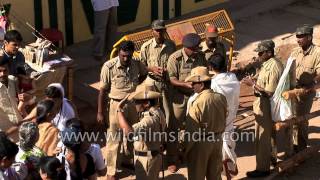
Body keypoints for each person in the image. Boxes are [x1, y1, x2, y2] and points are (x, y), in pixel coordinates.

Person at [97, 40, 148, 179]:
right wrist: (100, 112)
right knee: (114, 138)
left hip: (133, 104)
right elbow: (102, 91)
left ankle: (129, 160)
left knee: (133, 134)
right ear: (119, 53)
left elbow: (144, 73)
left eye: (128, 56)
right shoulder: (109, 67)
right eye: (123, 55)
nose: (125, 59)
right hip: (116, 105)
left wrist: (137, 86)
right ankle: (111, 171)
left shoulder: (136, 63)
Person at [242, 40, 284, 178]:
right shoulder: (267, 64)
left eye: (261, 52)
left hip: (266, 105)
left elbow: (269, 92)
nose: (258, 55)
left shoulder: (274, 67)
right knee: (268, 137)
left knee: (262, 138)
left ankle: (262, 169)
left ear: (269, 52)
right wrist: (254, 80)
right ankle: (271, 162)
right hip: (262, 104)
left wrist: (252, 84)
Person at [166, 33, 207, 172]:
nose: (197, 51)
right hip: (179, 98)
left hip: (196, 97)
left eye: (197, 48)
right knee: (174, 128)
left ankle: (188, 153)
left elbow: (205, 73)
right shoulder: (175, 58)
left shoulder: (200, 56)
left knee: (195, 126)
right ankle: (172, 158)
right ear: (187, 48)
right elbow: (171, 79)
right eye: (194, 49)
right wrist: (185, 84)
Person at [184, 66, 227, 180]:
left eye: (193, 83)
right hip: (217, 140)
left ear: (202, 84)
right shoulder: (221, 97)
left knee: (196, 176)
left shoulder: (197, 102)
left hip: (201, 143)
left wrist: (185, 149)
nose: (192, 86)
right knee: (215, 175)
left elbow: (191, 131)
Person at [117, 84, 166, 180]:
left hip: (146, 161)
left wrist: (119, 112)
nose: (134, 105)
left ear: (147, 103)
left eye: (136, 102)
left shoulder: (148, 120)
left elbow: (130, 133)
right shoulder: (159, 112)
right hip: (154, 157)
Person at [208, 54, 240, 179]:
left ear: (211, 67)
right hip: (230, 122)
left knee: (219, 158)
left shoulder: (214, 83)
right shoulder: (233, 78)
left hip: (218, 126)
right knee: (228, 151)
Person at [289, 24, 320, 153]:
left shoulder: (317, 53)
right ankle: (294, 146)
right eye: (297, 37)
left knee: (301, 120)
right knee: (292, 119)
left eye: (301, 37)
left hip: (306, 92)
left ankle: (300, 150)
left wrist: (313, 82)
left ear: (309, 37)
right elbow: (288, 70)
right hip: (292, 91)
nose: (298, 40)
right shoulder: (295, 52)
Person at [140, 19, 176, 127]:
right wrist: (151, 69)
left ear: (165, 30)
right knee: (151, 110)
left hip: (165, 82)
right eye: (157, 30)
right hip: (151, 83)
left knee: (167, 111)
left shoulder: (171, 45)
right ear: (152, 31)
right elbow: (141, 67)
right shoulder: (146, 47)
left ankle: (166, 135)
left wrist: (168, 71)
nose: (159, 33)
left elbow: (174, 63)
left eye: (161, 30)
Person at [0, 56, 23, 141]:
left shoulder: (13, 80)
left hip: (20, 123)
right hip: (7, 131)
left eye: (5, 70)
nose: (2, 74)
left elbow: (20, 96)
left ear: (9, 69)